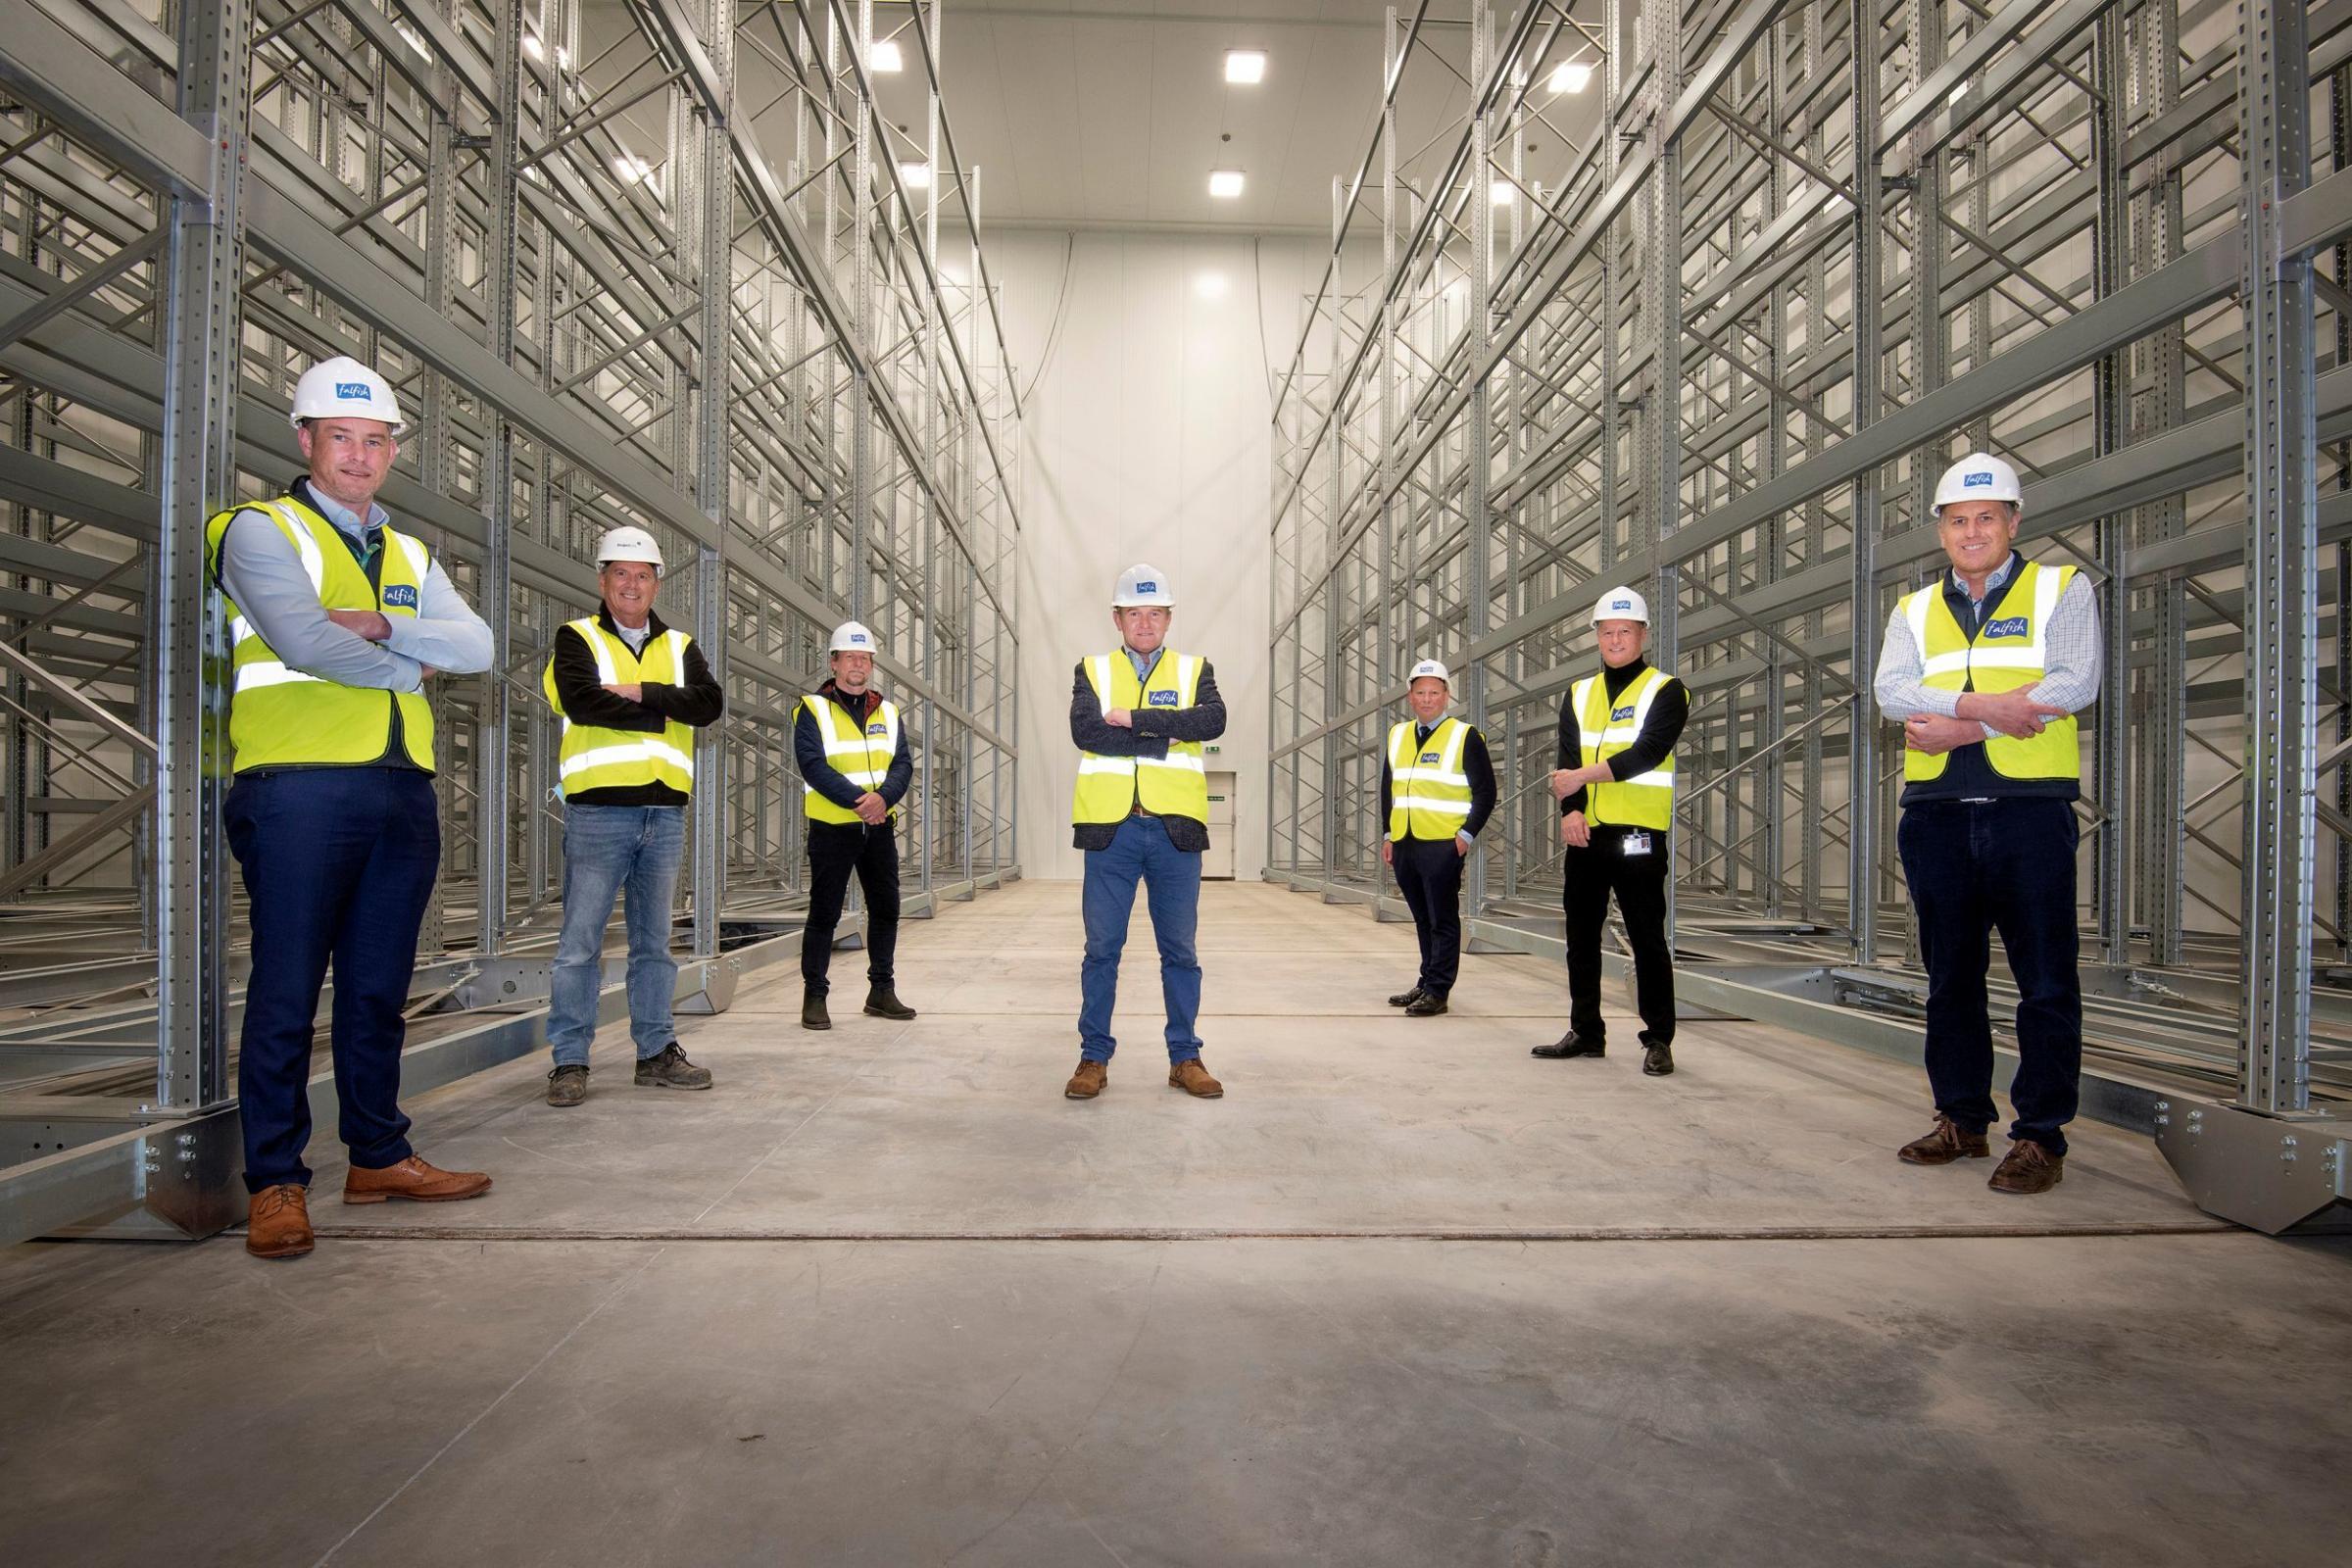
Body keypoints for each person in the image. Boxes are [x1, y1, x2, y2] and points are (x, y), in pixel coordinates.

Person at [205, 356, 496, 1260]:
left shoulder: (408, 553)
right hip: (296, 786)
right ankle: (277, 1183)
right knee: (288, 987)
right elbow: (297, 638)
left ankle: (376, 1153)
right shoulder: (257, 530)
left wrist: (377, 624)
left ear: (393, 451)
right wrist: (413, 662)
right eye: (342, 438)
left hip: (400, 788)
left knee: (376, 990)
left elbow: (479, 646)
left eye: (376, 442)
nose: (361, 457)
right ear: (306, 440)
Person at [1875, 452, 2101, 1196]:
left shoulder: (2061, 589)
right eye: (1958, 520)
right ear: (1941, 530)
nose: (1972, 531)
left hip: (2028, 812)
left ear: (2013, 522)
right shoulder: (1912, 610)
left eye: (1985, 518)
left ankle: (2039, 1134)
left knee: (2043, 980)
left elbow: (2074, 682)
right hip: (1937, 815)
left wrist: (1963, 729)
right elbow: (1892, 690)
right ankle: (1962, 1120)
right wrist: (1990, 708)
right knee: (1950, 979)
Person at [539, 525, 726, 1107]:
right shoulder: (576, 639)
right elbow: (580, 699)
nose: (631, 583)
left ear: (656, 583)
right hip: (599, 810)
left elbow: (709, 704)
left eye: (642, 575)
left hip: (665, 812)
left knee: (654, 943)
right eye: (620, 573)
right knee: (580, 943)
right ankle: (569, 1060)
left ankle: (655, 1052)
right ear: (602, 580)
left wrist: (640, 692)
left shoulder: (679, 645)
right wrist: (663, 710)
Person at [1064, 564, 1229, 1101]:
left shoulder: (1194, 669)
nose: (1144, 622)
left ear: (1168, 618)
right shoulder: (1091, 669)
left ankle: (1186, 1057)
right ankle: (1093, 1058)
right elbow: (1085, 732)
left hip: (1174, 832)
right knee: (1102, 949)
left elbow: (1211, 722)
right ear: (1117, 618)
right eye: (1134, 613)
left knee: (1180, 950)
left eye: (1154, 613)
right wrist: (1164, 737)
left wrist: (1132, 720)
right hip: (1110, 831)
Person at [1536, 586, 1689, 1077]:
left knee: (1645, 936)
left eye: (1625, 631)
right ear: (1597, 637)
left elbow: (1646, 753)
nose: (1616, 639)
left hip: (1638, 833)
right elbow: (1567, 758)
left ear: (1643, 634)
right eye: (1607, 632)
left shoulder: (1666, 691)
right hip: (1587, 834)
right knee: (1580, 935)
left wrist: (1579, 779)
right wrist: (1571, 810)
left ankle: (1658, 1038)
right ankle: (1586, 1031)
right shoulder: (1579, 694)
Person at [794, 620, 918, 1031]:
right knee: (824, 912)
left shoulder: (888, 711)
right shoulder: (811, 709)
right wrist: (860, 801)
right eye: (850, 657)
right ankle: (815, 996)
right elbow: (813, 765)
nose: (858, 665)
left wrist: (883, 799)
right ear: (833, 662)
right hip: (833, 827)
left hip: (879, 826)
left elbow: (902, 763)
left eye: (864, 658)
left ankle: (881, 991)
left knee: (886, 909)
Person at [1380, 659, 1497, 1017]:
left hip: (1442, 844)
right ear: (1410, 697)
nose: (1427, 699)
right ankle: (1426, 979)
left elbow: (1486, 791)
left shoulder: (1465, 736)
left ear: (1447, 695)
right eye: (1420, 693)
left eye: (1434, 692)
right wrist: (1388, 833)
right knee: (1421, 916)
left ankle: (1438, 989)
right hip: (1405, 840)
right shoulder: (1398, 734)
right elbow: (1389, 787)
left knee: (1442, 917)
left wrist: (1465, 836)